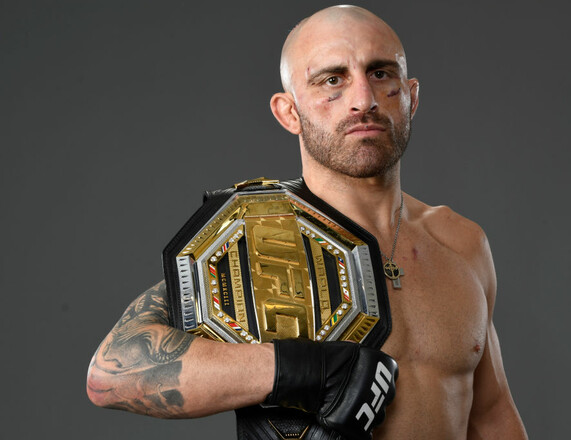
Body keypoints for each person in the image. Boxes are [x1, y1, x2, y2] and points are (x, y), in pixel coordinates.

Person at [87, 5, 528, 439]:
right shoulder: (252, 244)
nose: (363, 100)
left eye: (380, 74)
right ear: (289, 112)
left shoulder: (460, 242)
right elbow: (110, 374)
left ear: (411, 95)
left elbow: (491, 416)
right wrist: (303, 370)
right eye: (332, 80)